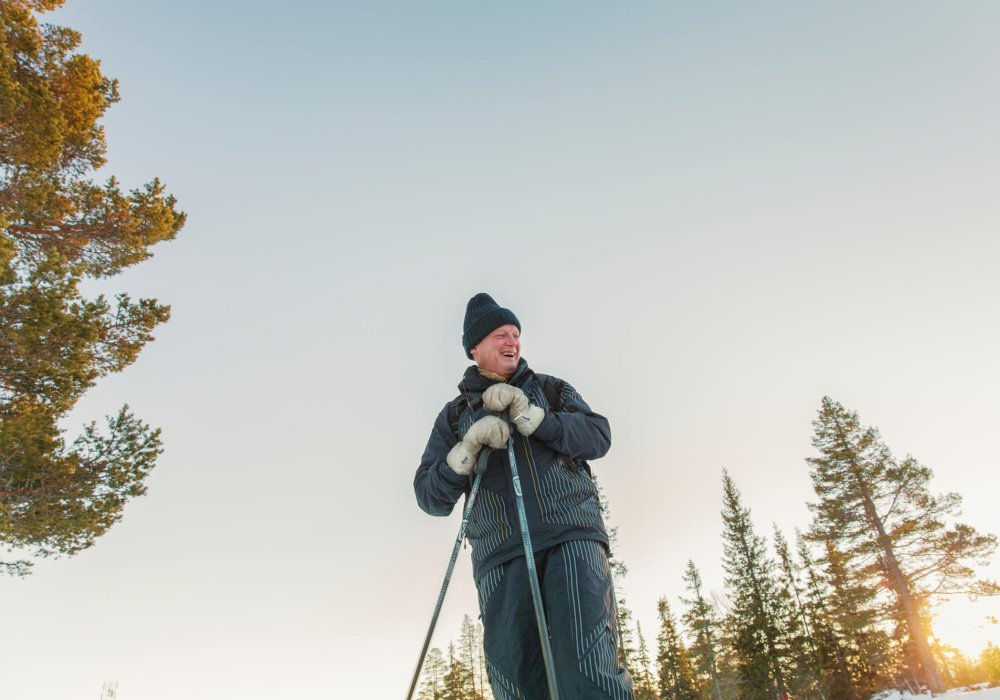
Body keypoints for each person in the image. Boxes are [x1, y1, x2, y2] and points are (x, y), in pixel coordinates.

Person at [414, 292, 634, 700]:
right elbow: (429, 496)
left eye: (515, 333)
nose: (511, 341)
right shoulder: (455, 415)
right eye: (500, 334)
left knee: (588, 673)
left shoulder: (550, 390)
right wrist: (466, 448)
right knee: (518, 683)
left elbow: (598, 435)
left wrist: (536, 418)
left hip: (570, 537)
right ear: (474, 348)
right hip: (501, 555)